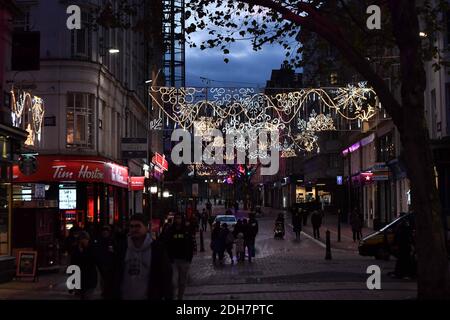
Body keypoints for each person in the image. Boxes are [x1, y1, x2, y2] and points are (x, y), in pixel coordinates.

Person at [114, 214, 173, 300]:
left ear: (146, 227)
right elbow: (113, 275)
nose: (134, 229)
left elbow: (166, 276)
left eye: (138, 226)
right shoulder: (122, 248)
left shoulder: (157, 249)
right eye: (131, 226)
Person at [166, 213, 195, 300]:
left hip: (184, 259)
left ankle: (180, 297)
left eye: (179, 218)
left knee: (182, 282)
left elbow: (191, 244)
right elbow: (166, 243)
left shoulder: (186, 230)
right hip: (173, 260)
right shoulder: (170, 230)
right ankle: (172, 296)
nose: (178, 220)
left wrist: (189, 258)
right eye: (176, 218)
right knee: (173, 281)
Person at [70, 231, 98, 300]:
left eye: (85, 240)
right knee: (82, 296)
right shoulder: (76, 250)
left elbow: (93, 260)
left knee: (88, 296)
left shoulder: (92, 248)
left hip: (90, 278)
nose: (84, 241)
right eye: (82, 240)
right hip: (79, 278)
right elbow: (73, 265)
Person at [94, 225, 116, 299]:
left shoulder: (111, 240)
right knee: (103, 278)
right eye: (104, 232)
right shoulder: (102, 240)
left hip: (108, 262)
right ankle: (105, 290)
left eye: (106, 232)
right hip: (102, 262)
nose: (105, 233)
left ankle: (106, 290)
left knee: (106, 278)